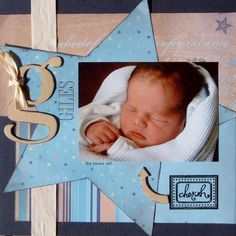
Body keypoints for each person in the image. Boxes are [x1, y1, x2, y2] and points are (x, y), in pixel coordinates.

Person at [79, 63, 205, 156]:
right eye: (132, 109)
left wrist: (121, 151)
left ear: (185, 120)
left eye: (156, 117)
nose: (138, 121)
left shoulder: (177, 150)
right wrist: (88, 127)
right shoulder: (112, 117)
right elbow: (68, 122)